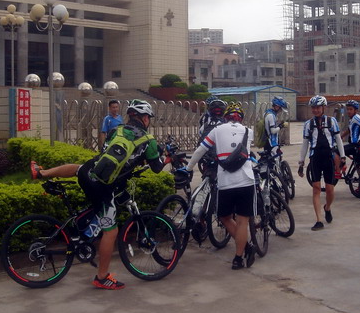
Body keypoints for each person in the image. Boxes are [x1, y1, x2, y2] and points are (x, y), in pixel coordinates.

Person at [30, 99, 163, 290]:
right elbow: (157, 167)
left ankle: (42, 173)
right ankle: (102, 277)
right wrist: (167, 158)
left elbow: (106, 154)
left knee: (79, 168)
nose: (148, 120)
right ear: (144, 118)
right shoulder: (148, 140)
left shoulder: (116, 130)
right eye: (148, 117)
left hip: (89, 172)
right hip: (102, 184)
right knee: (111, 231)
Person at [183, 102, 256, 270]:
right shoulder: (248, 131)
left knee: (225, 218)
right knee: (242, 221)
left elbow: (200, 151)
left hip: (226, 183)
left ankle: (247, 247)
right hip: (246, 181)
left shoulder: (216, 130)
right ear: (241, 118)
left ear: (225, 117)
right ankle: (238, 258)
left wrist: (188, 168)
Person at [298, 95, 345, 230]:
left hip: (328, 157)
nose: (315, 110)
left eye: (318, 107)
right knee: (316, 188)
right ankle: (319, 220)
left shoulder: (332, 121)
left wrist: (342, 157)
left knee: (330, 189)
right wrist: (301, 162)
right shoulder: (308, 124)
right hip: (315, 158)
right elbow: (305, 144)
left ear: (324, 107)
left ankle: (327, 207)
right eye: (313, 108)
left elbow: (338, 139)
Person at [339, 100, 360, 172]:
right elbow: (349, 130)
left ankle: (343, 167)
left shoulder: (356, 117)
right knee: (359, 165)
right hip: (357, 146)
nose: (348, 111)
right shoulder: (352, 119)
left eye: (351, 109)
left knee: (338, 151)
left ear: (356, 110)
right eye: (347, 109)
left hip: (357, 145)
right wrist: (341, 136)